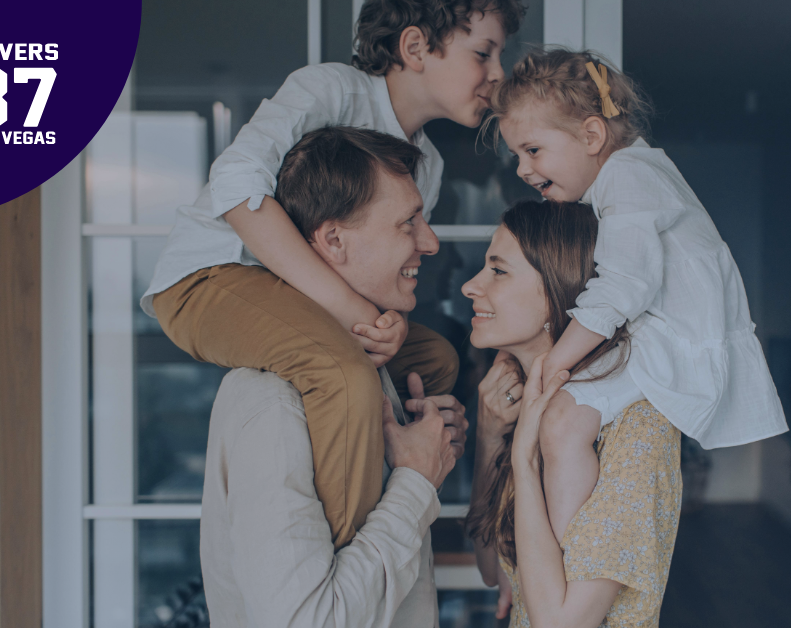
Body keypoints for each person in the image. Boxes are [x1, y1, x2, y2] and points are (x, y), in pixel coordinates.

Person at [142, 0, 526, 548]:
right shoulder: (331, 90)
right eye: (483, 53)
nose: (498, 73)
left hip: (307, 301)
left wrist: (387, 319)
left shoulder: (430, 166)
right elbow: (235, 185)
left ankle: (390, 489)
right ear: (415, 48)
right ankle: (344, 561)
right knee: (340, 371)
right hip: (211, 278)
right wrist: (356, 313)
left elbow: (378, 272)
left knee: (434, 358)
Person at [484, 48, 788, 542]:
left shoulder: (627, 175)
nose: (522, 168)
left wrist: (552, 366)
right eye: (517, 154)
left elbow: (623, 287)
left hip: (674, 340)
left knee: (561, 420)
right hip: (661, 334)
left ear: (591, 135)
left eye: (532, 150)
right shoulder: (633, 173)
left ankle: (564, 558)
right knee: (563, 420)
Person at [200, 126, 469, 628]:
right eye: (408, 223)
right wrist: (413, 484)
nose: (429, 243)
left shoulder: (374, 370)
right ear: (334, 240)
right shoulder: (275, 402)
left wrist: (425, 450)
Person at [464, 201, 681, 627]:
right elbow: (492, 568)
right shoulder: (524, 404)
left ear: (555, 293)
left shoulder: (638, 426)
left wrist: (524, 460)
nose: (470, 286)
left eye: (498, 270)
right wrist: (491, 439)